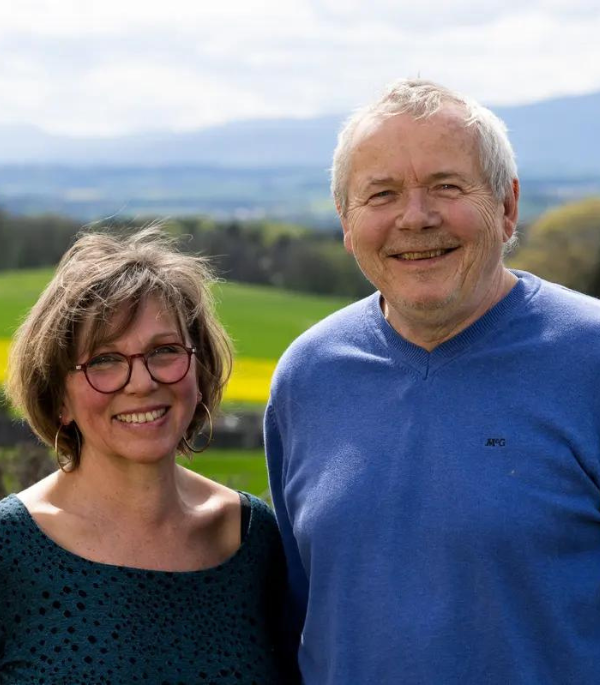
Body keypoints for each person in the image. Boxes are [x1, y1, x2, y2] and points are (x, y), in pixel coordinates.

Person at [265, 78, 600, 685]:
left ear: (506, 206)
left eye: (446, 186)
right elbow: (299, 610)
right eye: (382, 194)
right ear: (345, 221)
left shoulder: (591, 359)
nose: (415, 218)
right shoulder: (308, 376)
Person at [1, 227, 297, 684]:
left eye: (164, 351)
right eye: (103, 360)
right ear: (58, 399)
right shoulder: (11, 549)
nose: (141, 382)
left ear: (199, 370)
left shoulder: (254, 542)